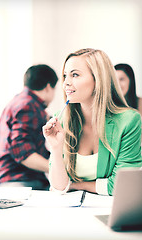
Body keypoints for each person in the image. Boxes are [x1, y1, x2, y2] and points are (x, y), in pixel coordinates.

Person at [42, 48, 142, 196]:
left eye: (75, 75)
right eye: (65, 76)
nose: (66, 83)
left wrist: (77, 185)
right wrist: (56, 149)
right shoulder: (61, 120)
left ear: (98, 79)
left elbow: (122, 185)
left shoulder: (129, 121)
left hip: (109, 210)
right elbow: (58, 188)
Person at [0, 64, 58, 190]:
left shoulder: (19, 101)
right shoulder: (28, 106)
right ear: (48, 87)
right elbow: (23, 153)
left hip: (5, 178)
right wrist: (59, 168)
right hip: (15, 180)